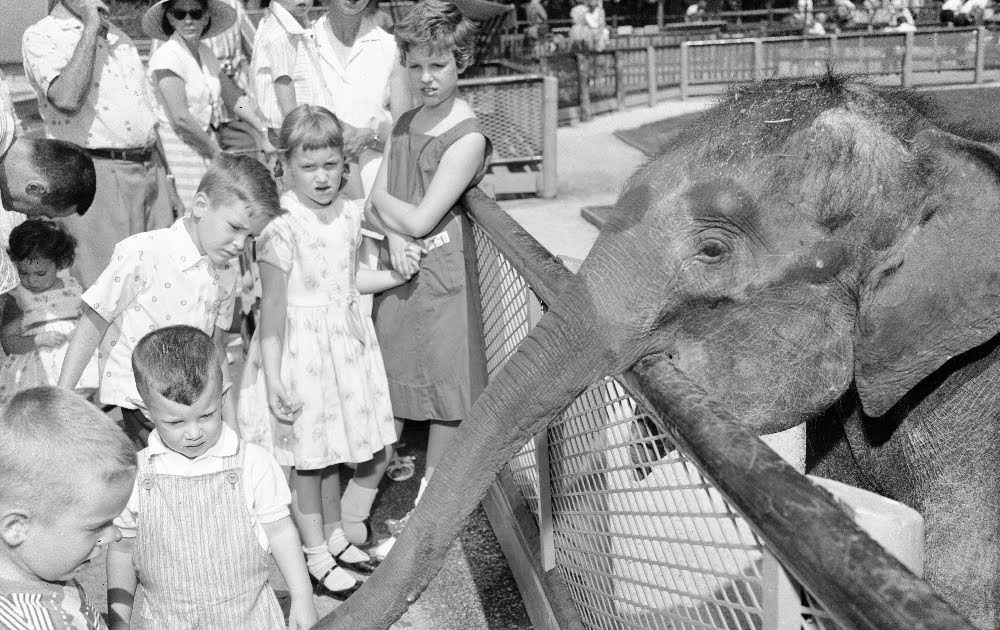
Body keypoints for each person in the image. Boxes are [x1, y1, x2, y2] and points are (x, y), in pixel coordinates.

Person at [238, 105, 412, 597]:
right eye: (309, 166)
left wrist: (398, 268)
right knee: (309, 460)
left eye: (330, 165)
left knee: (336, 449)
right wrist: (273, 378)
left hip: (344, 344)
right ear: (286, 166)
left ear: (344, 164)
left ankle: (334, 536)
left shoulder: (348, 212)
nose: (321, 177)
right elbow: (272, 309)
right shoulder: (281, 224)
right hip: (299, 352)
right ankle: (314, 553)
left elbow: (345, 277)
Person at [368, 0, 492, 551]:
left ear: (459, 62)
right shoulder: (405, 121)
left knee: (446, 391)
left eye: (437, 65)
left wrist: (395, 219)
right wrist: (394, 237)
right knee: (396, 376)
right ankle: (374, 498)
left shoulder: (466, 137)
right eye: (415, 65)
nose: (425, 77)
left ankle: (428, 515)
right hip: (400, 268)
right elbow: (381, 211)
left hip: (442, 276)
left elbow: (419, 215)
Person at [57, 153, 281, 448]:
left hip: (196, 409)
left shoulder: (226, 275)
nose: (241, 244)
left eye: (251, 236)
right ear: (201, 205)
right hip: (142, 406)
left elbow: (216, 348)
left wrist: (233, 429)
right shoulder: (143, 252)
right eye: (235, 227)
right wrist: (62, 396)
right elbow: (94, 319)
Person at [106, 326, 317, 630]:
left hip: (250, 620)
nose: (193, 433)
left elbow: (281, 532)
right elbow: (123, 549)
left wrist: (302, 595)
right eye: (175, 421)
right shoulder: (137, 477)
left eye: (206, 415)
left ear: (223, 396)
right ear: (146, 412)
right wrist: (119, 620)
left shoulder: (252, 463)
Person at [22, 0, 178, 288]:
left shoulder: (121, 37)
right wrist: (91, 26)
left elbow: (148, 116)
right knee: (107, 291)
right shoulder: (41, 35)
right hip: (95, 175)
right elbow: (66, 98)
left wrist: (169, 182)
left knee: (160, 284)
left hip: (149, 170)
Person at [0, 386, 136, 630]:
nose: (114, 535)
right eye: (97, 526)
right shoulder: (34, 620)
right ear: (17, 528)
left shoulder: (44, 566)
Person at [142, 0, 274, 209]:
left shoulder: (205, 53)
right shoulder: (167, 55)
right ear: (170, 18)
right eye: (179, 14)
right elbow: (181, 118)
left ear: (206, 17)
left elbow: (233, 99)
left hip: (204, 144)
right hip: (180, 151)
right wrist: (217, 153)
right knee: (195, 214)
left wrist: (263, 130)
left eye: (195, 13)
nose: (188, 20)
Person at [313, 0, 412, 199]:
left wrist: (369, 137)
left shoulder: (391, 49)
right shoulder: (302, 43)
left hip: (377, 196)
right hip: (316, 195)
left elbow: (406, 139)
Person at [0, 220, 98, 403]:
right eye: (23, 273)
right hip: (37, 373)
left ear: (59, 263)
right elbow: (8, 341)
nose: (31, 281)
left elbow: (90, 323)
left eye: (40, 273)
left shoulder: (73, 287)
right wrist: (36, 340)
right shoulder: (18, 297)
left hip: (77, 364)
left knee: (82, 407)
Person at [251, 0, 327, 139]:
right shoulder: (280, 33)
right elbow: (283, 81)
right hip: (291, 127)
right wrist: (296, 129)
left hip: (302, 123)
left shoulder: (297, 24)